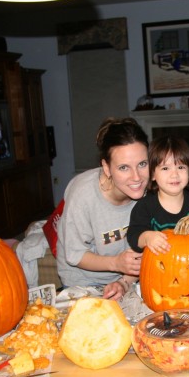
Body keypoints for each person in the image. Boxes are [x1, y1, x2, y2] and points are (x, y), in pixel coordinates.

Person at [56, 117, 149, 301]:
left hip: (128, 279)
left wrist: (124, 282)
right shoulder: (82, 194)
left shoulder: (151, 193)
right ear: (106, 167)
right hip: (82, 281)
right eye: (124, 167)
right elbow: (75, 255)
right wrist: (116, 263)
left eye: (142, 164)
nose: (137, 177)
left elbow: (142, 255)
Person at [127, 135, 189, 267]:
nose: (174, 174)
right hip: (159, 271)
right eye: (165, 168)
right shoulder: (145, 206)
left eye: (181, 167)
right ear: (152, 174)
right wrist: (147, 237)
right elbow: (134, 236)